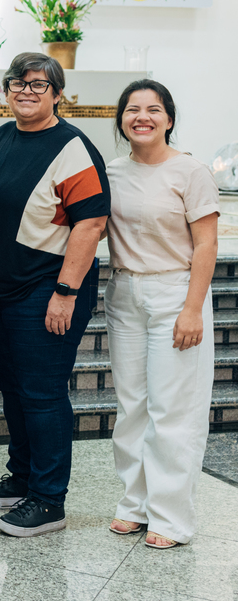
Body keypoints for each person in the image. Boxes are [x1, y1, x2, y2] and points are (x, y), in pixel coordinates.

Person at [0, 52, 110, 537]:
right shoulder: (0, 137)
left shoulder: (73, 147)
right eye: (18, 82)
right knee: (13, 387)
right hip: (0, 290)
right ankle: (23, 477)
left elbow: (90, 223)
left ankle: (49, 499)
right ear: (6, 89)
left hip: (46, 290)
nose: (26, 91)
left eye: (38, 84)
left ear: (57, 94)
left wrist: (66, 292)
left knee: (42, 393)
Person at [104, 80, 218, 549]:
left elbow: (206, 244)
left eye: (153, 110)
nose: (142, 117)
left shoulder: (190, 171)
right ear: (122, 120)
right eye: (132, 109)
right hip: (124, 292)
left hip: (175, 292)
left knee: (172, 409)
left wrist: (193, 308)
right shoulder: (112, 171)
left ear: (168, 119)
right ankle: (135, 503)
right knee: (131, 406)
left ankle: (170, 518)